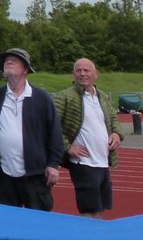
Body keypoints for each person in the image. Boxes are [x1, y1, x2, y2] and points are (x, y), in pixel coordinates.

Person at [0, 47, 64, 211]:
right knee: (5, 223)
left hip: (35, 175)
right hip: (4, 175)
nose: (8, 61)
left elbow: (55, 133)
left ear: (25, 69)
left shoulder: (41, 98)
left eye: (14, 60)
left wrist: (54, 164)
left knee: (38, 224)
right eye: (6, 60)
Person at [55, 57, 125, 218]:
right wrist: (68, 147)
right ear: (73, 75)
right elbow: (51, 126)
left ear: (96, 74)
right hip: (83, 163)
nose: (82, 74)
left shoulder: (103, 96)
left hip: (102, 161)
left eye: (86, 70)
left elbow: (114, 120)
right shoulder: (64, 97)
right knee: (88, 210)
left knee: (99, 208)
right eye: (78, 70)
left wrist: (117, 134)